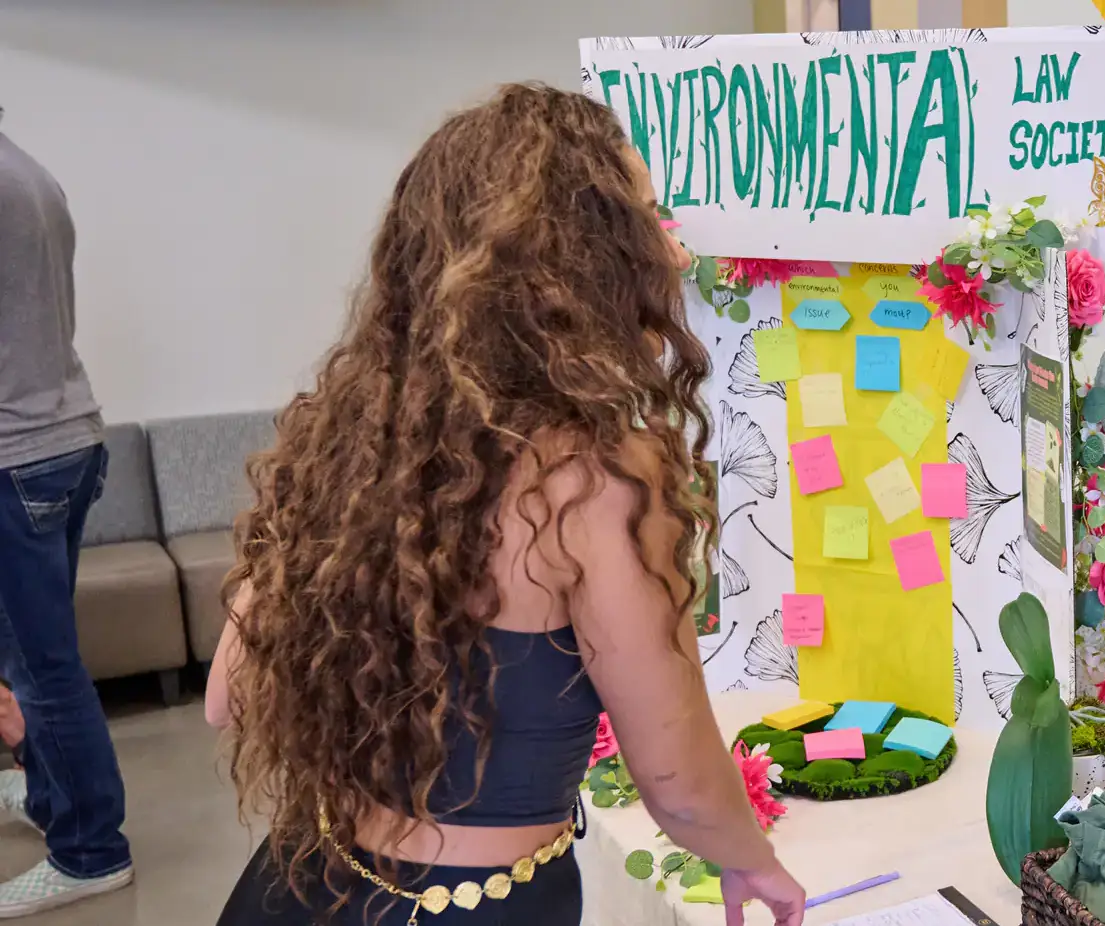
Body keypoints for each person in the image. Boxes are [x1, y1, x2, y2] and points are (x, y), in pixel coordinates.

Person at [207, 84, 807, 925]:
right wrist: (755, 864)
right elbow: (680, 786)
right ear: (586, 258)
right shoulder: (599, 478)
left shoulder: (354, 442)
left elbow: (225, 698)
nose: (672, 251)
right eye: (647, 217)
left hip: (300, 885)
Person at [0, 118, 136, 916]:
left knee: (42, 669)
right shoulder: (28, 172)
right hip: (62, 441)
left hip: (15, 455)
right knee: (36, 659)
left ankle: (91, 851)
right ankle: (54, 799)